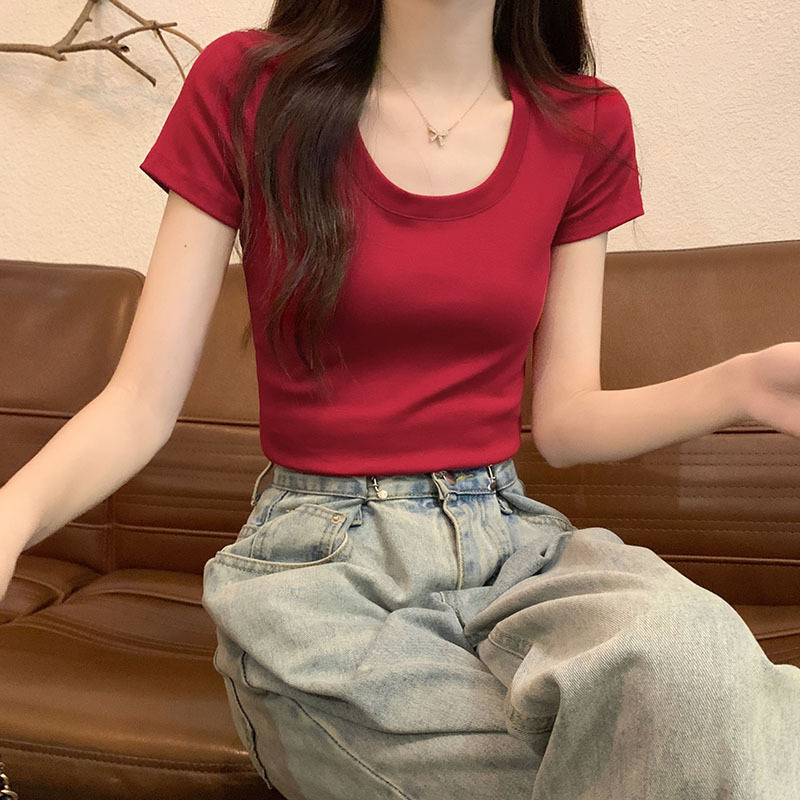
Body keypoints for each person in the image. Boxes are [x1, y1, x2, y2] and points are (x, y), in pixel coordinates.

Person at [2, 1, 799, 799]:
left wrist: (742, 383)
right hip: (319, 569)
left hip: (511, 546)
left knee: (698, 669)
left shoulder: (584, 122)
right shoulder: (249, 87)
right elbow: (140, 402)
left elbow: (566, 421)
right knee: (669, 758)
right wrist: (12, 515)